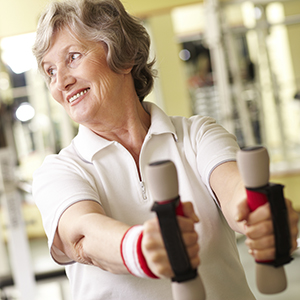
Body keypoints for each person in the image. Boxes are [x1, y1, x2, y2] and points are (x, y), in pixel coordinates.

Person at [32, 0, 299, 299]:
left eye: (73, 57)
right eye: (50, 71)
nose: (62, 82)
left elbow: (234, 188)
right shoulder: (58, 171)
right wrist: (140, 249)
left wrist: (263, 216)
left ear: (122, 54)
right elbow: (82, 235)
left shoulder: (197, 135)